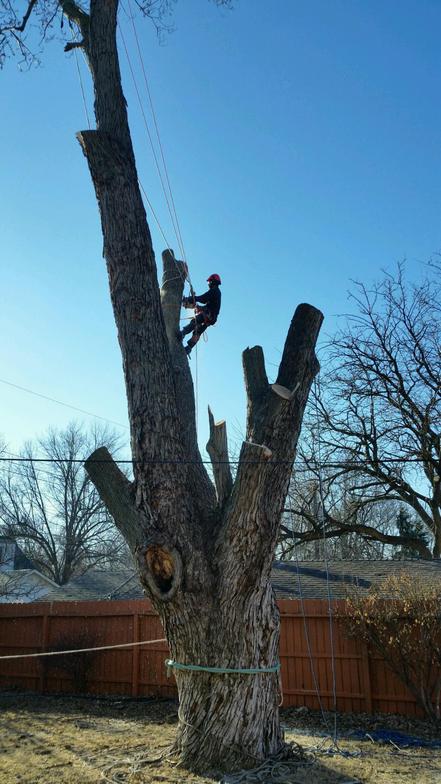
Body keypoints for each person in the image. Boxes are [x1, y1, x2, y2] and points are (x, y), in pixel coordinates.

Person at [177, 274, 221, 356]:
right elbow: (209, 305)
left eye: (210, 281)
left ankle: (183, 333)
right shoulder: (217, 292)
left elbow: (203, 298)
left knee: (195, 322)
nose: (209, 283)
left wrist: (193, 298)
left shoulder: (214, 291)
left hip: (209, 314)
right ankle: (189, 348)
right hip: (212, 318)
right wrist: (200, 307)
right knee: (198, 330)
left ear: (213, 281)